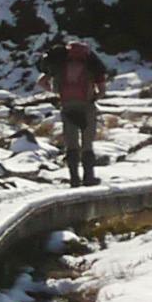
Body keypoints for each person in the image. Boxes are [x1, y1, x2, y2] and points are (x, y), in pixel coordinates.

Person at [48, 32, 107, 187]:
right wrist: (94, 97)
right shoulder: (91, 66)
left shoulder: (60, 66)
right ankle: (89, 177)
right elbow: (102, 90)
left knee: (72, 144)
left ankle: (74, 178)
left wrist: (57, 93)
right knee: (87, 144)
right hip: (87, 107)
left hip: (67, 107)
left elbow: (42, 81)